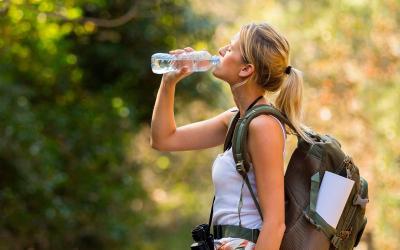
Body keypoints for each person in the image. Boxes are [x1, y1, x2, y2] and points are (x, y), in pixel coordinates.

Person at [150, 22, 311, 250]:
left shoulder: (264, 126)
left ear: (246, 69)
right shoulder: (235, 119)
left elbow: (275, 224)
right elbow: (163, 139)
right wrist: (169, 82)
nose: (220, 51)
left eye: (230, 48)